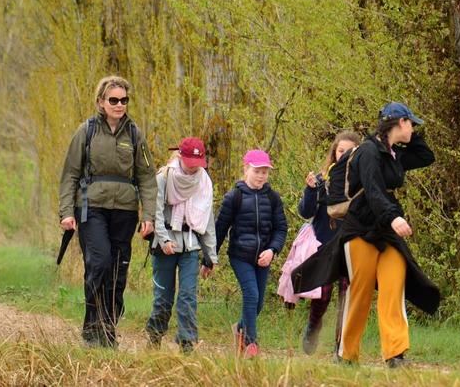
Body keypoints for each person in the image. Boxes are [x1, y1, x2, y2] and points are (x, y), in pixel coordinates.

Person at [291, 102, 440, 368]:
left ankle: (395, 355)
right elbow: (372, 191)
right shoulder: (369, 152)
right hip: (360, 228)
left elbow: (427, 157)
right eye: (411, 123)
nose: (414, 127)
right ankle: (346, 356)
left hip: (387, 232)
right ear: (399, 122)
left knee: (393, 288)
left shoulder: (394, 154)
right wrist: (394, 217)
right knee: (360, 293)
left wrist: (407, 136)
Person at [58, 75, 158, 348]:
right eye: (113, 100)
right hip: (91, 209)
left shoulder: (135, 134)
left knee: (117, 271)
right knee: (99, 263)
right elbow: (69, 174)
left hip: (125, 212)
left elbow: (148, 178)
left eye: (124, 100)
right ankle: (92, 326)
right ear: (101, 102)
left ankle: (108, 329)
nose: (119, 105)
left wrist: (149, 216)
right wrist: (66, 212)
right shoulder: (86, 131)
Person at [145, 137, 218, 353]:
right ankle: (155, 337)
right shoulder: (164, 177)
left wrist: (210, 256)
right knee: (163, 299)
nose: (195, 167)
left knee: (187, 296)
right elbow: (156, 211)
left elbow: (207, 220)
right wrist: (164, 239)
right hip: (165, 244)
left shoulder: (204, 181)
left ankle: (187, 344)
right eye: (190, 162)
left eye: (198, 163)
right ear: (180, 156)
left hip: (190, 246)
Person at [215, 149, 288, 358]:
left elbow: (281, 228)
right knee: (251, 295)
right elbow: (220, 229)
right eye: (257, 171)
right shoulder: (234, 197)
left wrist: (272, 250)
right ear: (246, 169)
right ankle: (251, 344)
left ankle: (239, 328)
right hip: (240, 255)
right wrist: (209, 259)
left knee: (258, 304)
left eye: (265, 172)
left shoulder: (273, 197)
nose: (261, 176)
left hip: (262, 258)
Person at [298, 131, 360, 356]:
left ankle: (340, 348)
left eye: (349, 151)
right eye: (340, 151)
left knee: (347, 297)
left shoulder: (361, 182)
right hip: (324, 245)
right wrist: (310, 190)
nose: (344, 155)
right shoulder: (322, 180)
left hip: (351, 246)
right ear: (334, 153)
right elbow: (305, 212)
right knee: (322, 297)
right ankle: (313, 327)